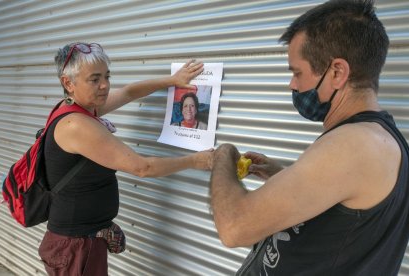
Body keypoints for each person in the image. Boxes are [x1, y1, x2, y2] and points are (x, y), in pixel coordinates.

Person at [210, 0, 409, 275]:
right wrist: (281, 175)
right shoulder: (370, 139)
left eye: (297, 72)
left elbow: (233, 227)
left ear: (337, 72)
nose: (293, 84)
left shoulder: (357, 144)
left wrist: (223, 155)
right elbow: (342, 215)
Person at [37, 42, 213, 276]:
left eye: (107, 76)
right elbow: (142, 167)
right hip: (76, 246)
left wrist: (173, 80)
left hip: (81, 241)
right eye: (95, 79)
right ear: (68, 83)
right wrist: (195, 161)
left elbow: (129, 92)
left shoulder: (80, 108)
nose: (105, 85)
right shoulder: (76, 125)